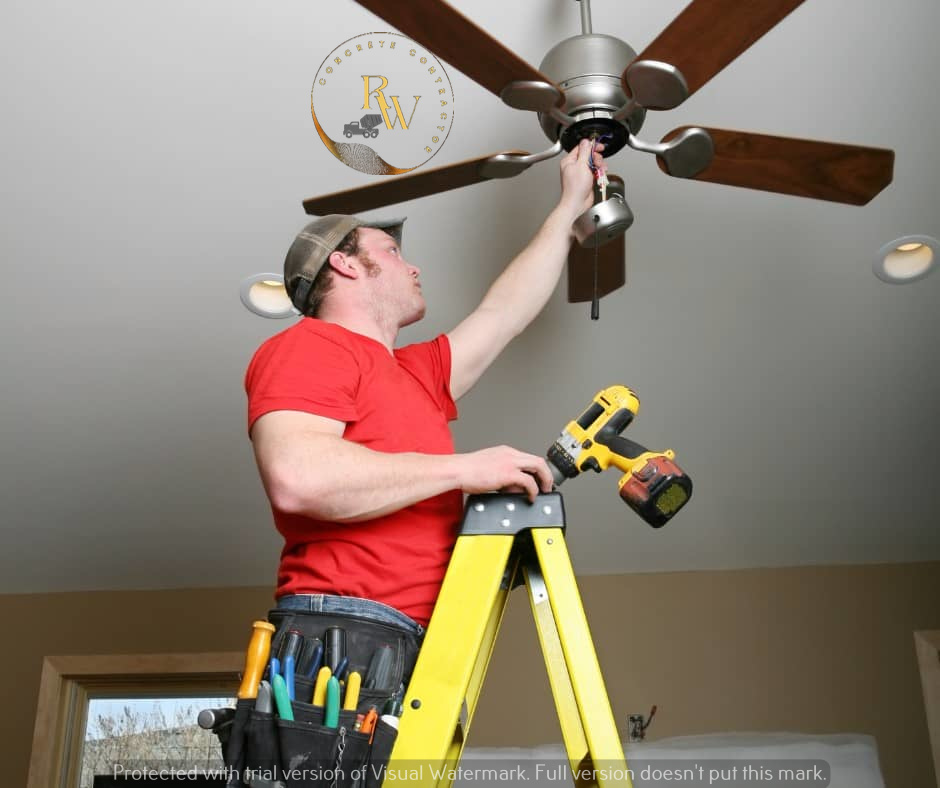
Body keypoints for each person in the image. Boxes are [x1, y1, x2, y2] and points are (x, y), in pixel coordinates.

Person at [245, 139, 605, 639]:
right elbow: (299, 478)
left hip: (414, 637)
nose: (412, 267)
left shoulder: (413, 373)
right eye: (391, 252)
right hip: (346, 625)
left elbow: (504, 313)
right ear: (345, 265)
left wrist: (571, 206)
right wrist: (467, 469)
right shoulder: (310, 346)